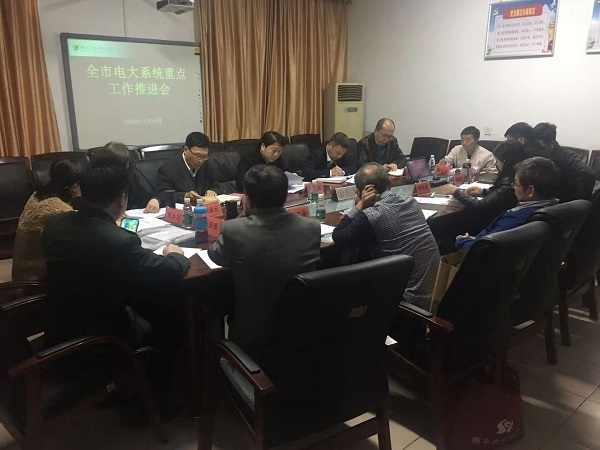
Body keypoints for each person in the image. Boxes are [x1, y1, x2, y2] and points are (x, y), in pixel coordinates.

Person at [43, 157, 190, 389]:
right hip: (100, 341)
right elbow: (168, 272)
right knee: (174, 308)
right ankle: (159, 392)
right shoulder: (118, 241)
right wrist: (176, 255)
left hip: (60, 328)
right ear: (122, 198)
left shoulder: (54, 225)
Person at [208, 165, 321, 362]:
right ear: (285, 196)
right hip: (301, 331)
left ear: (248, 198)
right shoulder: (311, 227)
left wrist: (246, 213)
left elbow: (215, 254)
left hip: (252, 340)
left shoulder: (234, 230)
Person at [332, 163, 440, 311]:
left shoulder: (372, 215)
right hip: (438, 291)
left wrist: (360, 205)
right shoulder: (411, 201)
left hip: (409, 302)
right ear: (389, 183)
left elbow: (338, 237)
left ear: (358, 192)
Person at [456, 157, 559, 251]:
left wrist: (462, 241)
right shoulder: (557, 210)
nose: (513, 188)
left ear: (530, 191)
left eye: (516, 184)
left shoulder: (515, 219)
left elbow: (483, 250)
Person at [12, 160, 82, 282]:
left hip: (21, 274)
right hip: (36, 281)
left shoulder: (37, 195)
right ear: (75, 186)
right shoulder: (59, 210)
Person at [441, 140, 527, 215]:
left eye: (497, 161)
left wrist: (456, 192)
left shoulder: (507, 185)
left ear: (505, 163)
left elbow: (479, 206)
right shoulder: (515, 176)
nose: (496, 164)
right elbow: (498, 196)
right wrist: (484, 191)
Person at [145, 132, 220, 213]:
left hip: (203, 211)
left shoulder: (207, 165)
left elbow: (216, 185)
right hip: (182, 212)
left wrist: (213, 190)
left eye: (204, 156)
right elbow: (162, 194)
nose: (200, 160)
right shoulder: (169, 168)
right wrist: (184, 196)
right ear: (186, 150)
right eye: (197, 156)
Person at [534, 122, 596, 202]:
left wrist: (577, 201)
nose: (537, 150)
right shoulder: (535, 152)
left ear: (552, 144)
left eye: (540, 147)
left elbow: (588, 173)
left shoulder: (566, 156)